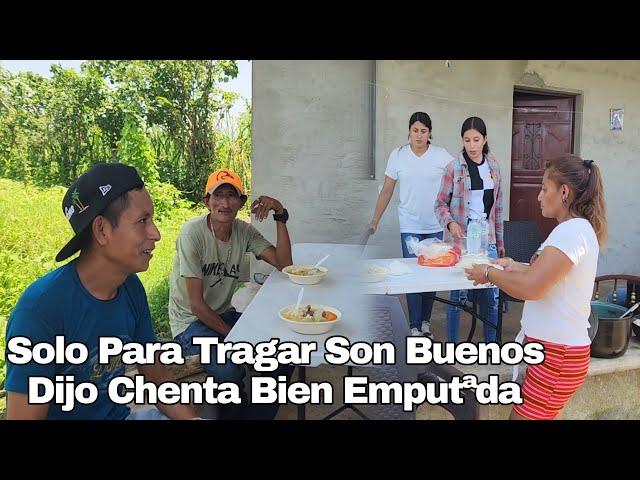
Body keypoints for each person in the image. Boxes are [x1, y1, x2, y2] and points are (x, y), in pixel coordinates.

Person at [4, 163, 200, 420]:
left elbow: (157, 375)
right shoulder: (40, 311)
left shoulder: (130, 288)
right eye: (142, 221)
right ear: (101, 230)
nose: (156, 234)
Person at [465, 155, 606, 420]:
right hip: (555, 352)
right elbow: (549, 276)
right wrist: (514, 265)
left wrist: (488, 273)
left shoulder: (572, 232)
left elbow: (533, 288)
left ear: (564, 192)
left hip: (557, 356)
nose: (539, 196)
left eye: (544, 189)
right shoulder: (574, 230)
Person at [168, 167, 293, 419]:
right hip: (190, 324)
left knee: (283, 353)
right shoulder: (192, 234)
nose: (225, 203)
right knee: (228, 369)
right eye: (218, 195)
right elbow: (196, 305)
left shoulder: (243, 231)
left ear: (241, 202)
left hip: (222, 317)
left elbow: (285, 265)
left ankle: (255, 415)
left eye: (231, 196)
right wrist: (235, 338)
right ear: (207, 201)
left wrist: (279, 213)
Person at [367, 112, 454, 337]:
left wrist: (455, 216)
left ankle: (425, 322)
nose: (419, 135)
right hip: (410, 225)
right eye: (415, 130)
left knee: (430, 276)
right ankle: (414, 325)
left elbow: (459, 178)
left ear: (429, 133)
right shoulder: (398, 156)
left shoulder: (440, 155)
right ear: (409, 131)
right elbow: (387, 190)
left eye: (423, 131)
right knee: (413, 276)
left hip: (435, 225)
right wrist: (374, 220)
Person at [435, 116, 505, 343]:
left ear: (485, 140)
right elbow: (440, 204)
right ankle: (453, 346)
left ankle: (491, 345)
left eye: (477, 139)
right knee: (458, 296)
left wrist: (500, 243)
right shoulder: (454, 168)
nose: (472, 145)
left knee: (491, 296)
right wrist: (451, 223)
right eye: (467, 140)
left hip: (487, 237)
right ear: (462, 141)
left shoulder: (493, 166)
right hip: (461, 239)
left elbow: (498, 208)